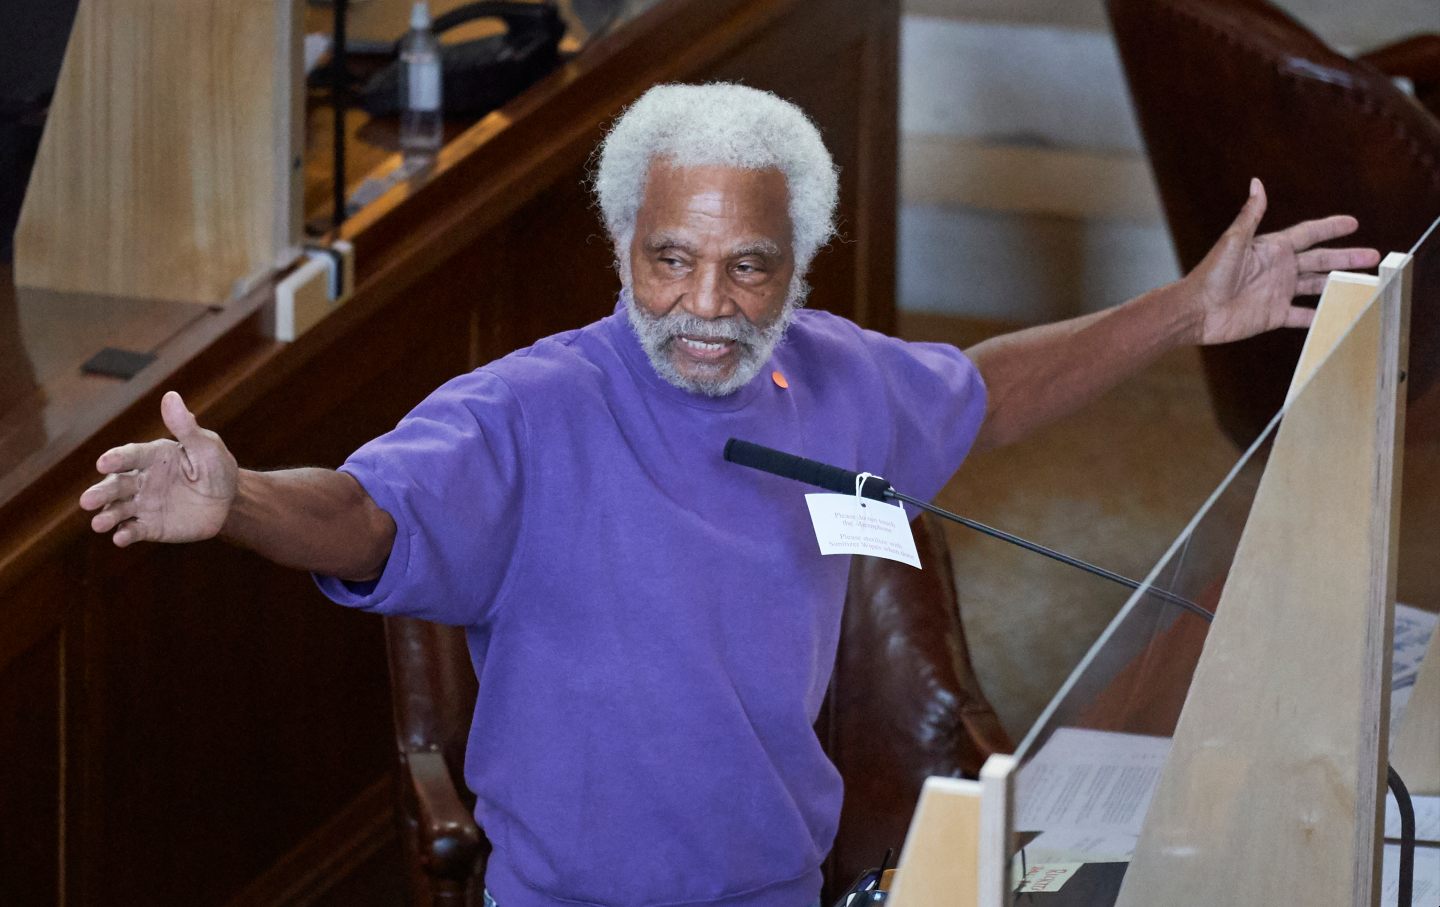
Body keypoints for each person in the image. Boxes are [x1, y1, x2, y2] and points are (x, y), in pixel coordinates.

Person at [78, 83, 1377, 907]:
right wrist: (242, 500)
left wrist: (1183, 312)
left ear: (799, 267)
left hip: (776, 891)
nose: (707, 305)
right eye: (672, 260)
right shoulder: (522, 412)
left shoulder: (832, 378)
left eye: (748, 268)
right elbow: (369, 515)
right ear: (622, 249)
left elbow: (980, 391)